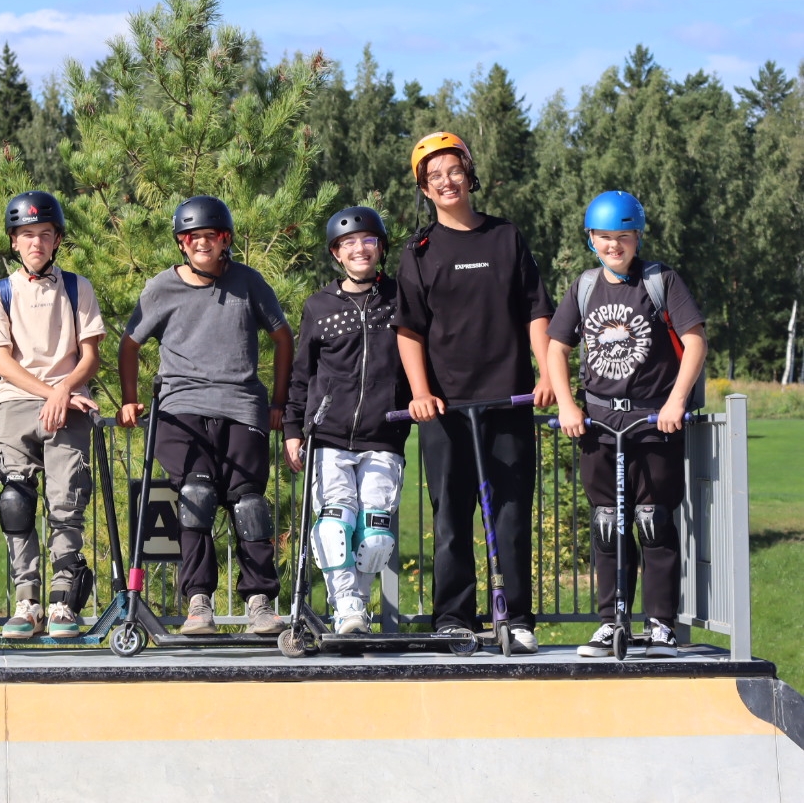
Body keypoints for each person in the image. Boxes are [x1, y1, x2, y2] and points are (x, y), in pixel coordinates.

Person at [394, 131, 554, 654]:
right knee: (450, 515)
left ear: (469, 172)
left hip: (507, 398)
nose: (446, 181)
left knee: (510, 512)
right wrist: (420, 392)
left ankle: (518, 618)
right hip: (445, 407)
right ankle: (453, 617)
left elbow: (536, 310)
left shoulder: (506, 237)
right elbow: (410, 330)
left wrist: (546, 374)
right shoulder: (418, 252)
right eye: (433, 175)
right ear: (424, 188)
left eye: (453, 170)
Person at [118, 195, 294, 636]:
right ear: (181, 242)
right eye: (192, 238)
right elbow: (130, 344)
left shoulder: (248, 283)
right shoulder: (161, 288)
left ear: (225, 240)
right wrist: (127, 398)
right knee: (195, 496)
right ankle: (199, 602)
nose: (201, 244)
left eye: (210, 237)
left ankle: (259, 601)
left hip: (242, 405)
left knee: (249, 501)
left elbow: (283, 338)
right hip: (181, 408)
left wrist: (277, 403)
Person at [545, 190, 707, 658]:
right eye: (603, 238)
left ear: (637, 236)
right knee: (607, 524)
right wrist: (568, 407)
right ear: (591, 239)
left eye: (622, 237)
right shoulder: (585, 286)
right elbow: (557, 348)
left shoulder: (661, 281)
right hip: (598, 424)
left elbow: (695, 341)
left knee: (653, 521)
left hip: (654, 421)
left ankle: (660, 625)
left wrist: (676, 402)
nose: (613, 246)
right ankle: (609, 620)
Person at [0, 191, 106, 640]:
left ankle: (61, 601)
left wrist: (65, 391)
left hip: (70, 404)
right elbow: (1, 361)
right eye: (27, 235)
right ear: (14, 242)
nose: (37, 243)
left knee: (66, 502)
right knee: (16, 503)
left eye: (45, 235)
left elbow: (89, 354)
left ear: (57, 240)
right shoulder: (0, 292)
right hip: (15, 403)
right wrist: (51, 393)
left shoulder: (78, 287)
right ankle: (26, 599)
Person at [284, 206, 410, 635]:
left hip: (384, 433)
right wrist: (292, 429)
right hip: (329, 435)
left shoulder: (401, 299)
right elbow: (301, 374)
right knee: (337, 524)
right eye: (349, 243)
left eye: (369, 240)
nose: (360, 248)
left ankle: (359, 604)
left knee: (375, 535)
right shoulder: (319, 306)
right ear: (336, 253)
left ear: (381, 247)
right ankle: (346, 607)